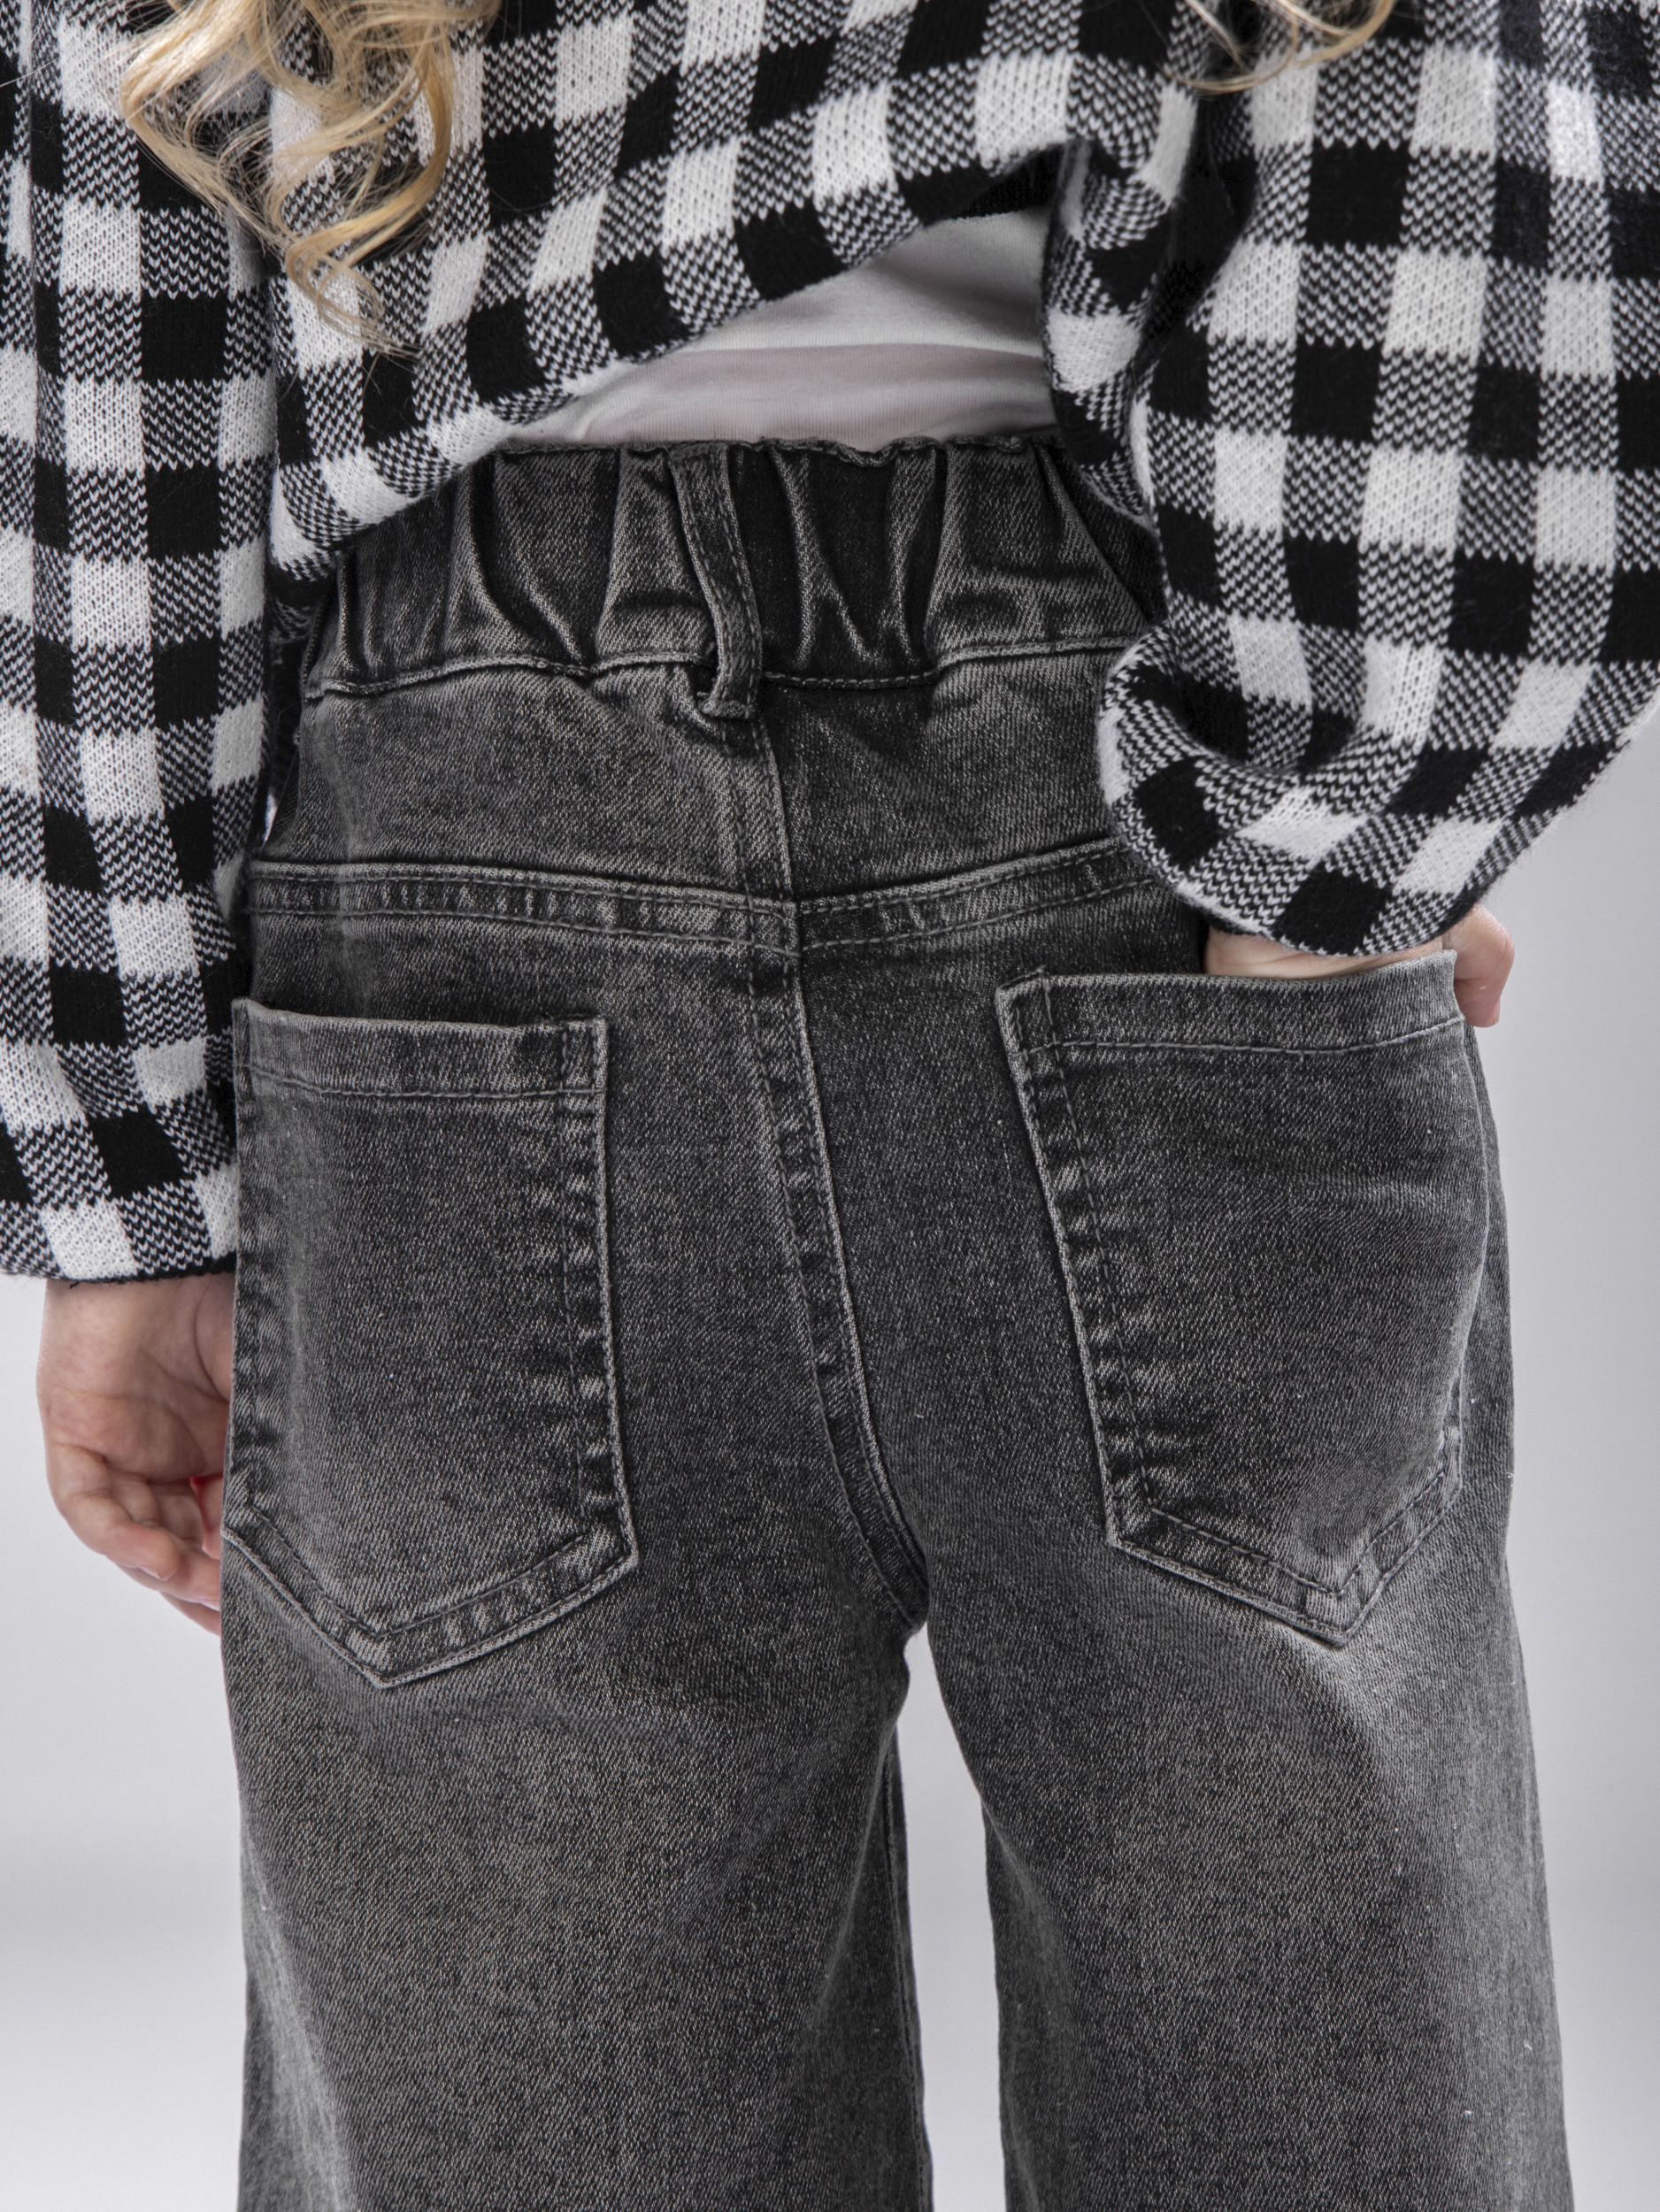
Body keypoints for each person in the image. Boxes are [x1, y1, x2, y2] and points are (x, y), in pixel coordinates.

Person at [8, 0, 1653, 2200]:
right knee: (1307, 2090)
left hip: (454, 865)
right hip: (1089, 806)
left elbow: (112, 403)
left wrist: (129, 1181)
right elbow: (1446, 150)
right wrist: (1337, 825)